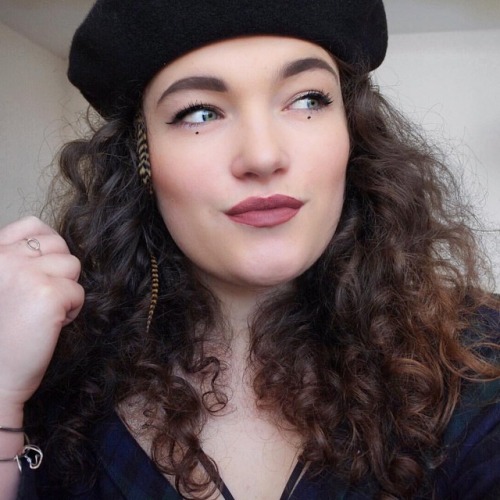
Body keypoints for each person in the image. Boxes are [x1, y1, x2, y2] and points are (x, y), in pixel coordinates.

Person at [0, 0, 499, 498]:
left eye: (307, 100)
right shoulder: (50, 373)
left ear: (353, 132)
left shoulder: (478, 361)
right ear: (141, 160)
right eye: (200, 112)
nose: (263, 156)